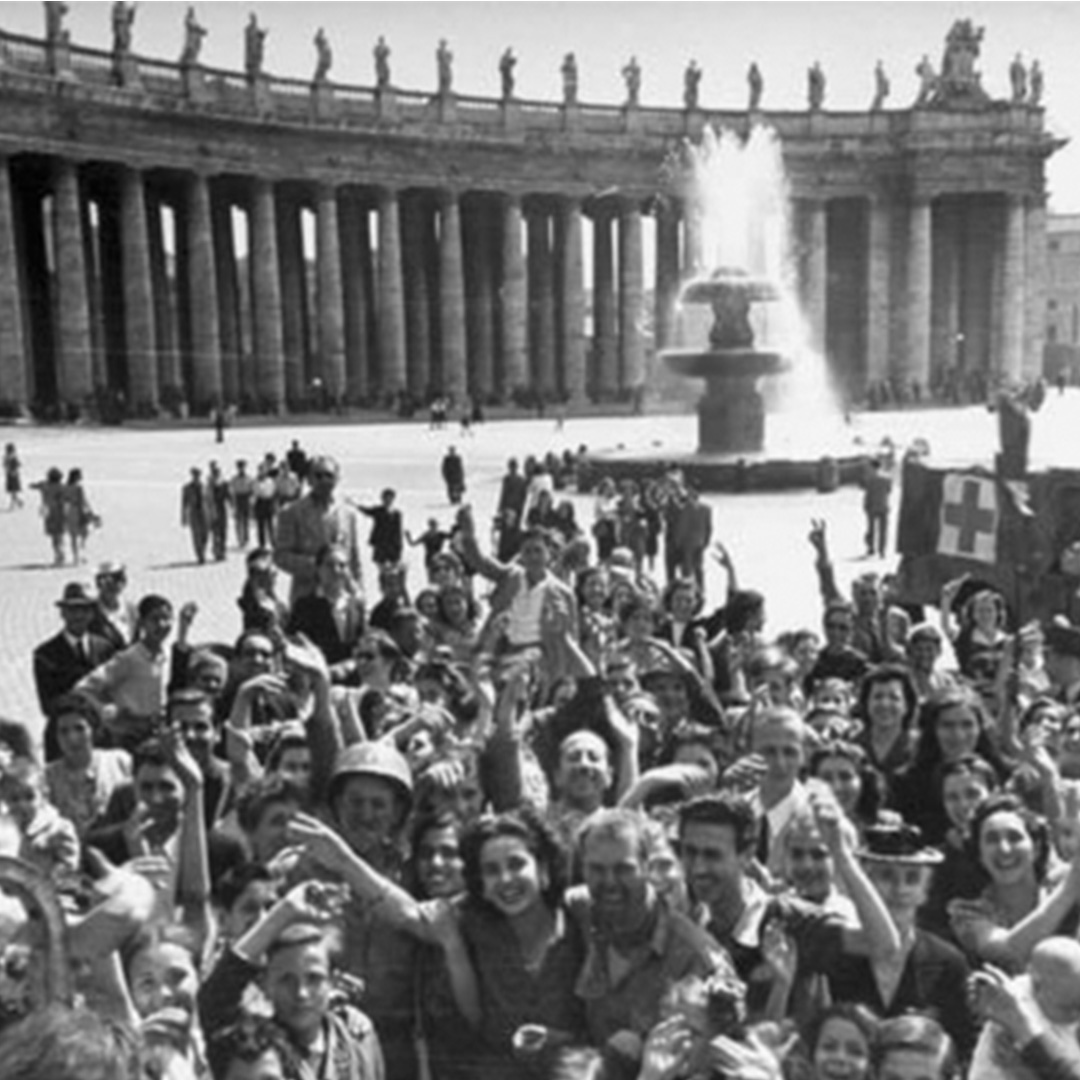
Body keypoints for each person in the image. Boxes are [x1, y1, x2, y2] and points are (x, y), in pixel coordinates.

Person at [274, 455, 363, 604]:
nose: (324, 481)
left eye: (329, 475)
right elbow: (280, 556)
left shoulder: (348, 513)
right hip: (307, 596)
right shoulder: (292, 512)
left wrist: (359, 591)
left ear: (337, 478)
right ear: (309, 479)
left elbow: (354, 557)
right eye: (318, 475)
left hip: (344, 599)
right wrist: (319, 566)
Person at [33, 581, 118, 729]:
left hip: (102, 732)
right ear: (62, 613)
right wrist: (88, 704)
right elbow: (48, 705)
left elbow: (115, 690)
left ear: (93, 613)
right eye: (72, 610)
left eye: (84, 610)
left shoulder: (105, 648)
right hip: (64, 734)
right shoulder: (45, 654)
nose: (78, 616)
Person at [356, 488, 404, 567]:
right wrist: (356, 505)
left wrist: (399, 546)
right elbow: (367, 511)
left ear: (393, 499)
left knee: (393, 568)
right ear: (382, 499)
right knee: (381, 566)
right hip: (380, 543)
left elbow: (398, 530)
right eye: (386, 498)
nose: (388, 500)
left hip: (392, 544)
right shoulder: (378, 510)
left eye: (390, 498)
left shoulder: (397, 514)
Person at [30, 466, 67, 565]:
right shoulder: (61, 487)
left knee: (54, 536)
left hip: (49, 512)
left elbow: (34, 486)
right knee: (60, 534)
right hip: (60, 512)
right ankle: (61, 553)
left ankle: (58, 553)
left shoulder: (45, 485)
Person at [62, 468, 97, 567]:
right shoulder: (78, 488)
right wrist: (91, 512)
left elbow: (64, 500)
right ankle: (82, 553)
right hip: (79, 511)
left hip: (70, 511)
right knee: (84, 533)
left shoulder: (66, 487)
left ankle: (75, 557)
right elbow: (83, 501)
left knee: (73, 536)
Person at [181, 466, 212, 565]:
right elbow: (184, 503)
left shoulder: (205, 487)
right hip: (194, 513)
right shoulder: (187, 488)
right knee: (196, 535)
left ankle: (202, 550)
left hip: (205, 513)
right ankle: (200, 555)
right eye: (195, 475)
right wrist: (184, 517)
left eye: (198, 475)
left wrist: (212, 514)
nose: (196, 477)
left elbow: (210, 501)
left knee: (205, 535)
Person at [3, 442, 22, 509]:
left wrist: (12, 469)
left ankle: (13, 505)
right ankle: (19, 502)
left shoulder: (12, 457)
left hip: (13, 475)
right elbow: (5, 465)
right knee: (12, 491)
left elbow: (18, 464)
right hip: (10, 475)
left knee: (13, 491)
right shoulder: (8, 457)